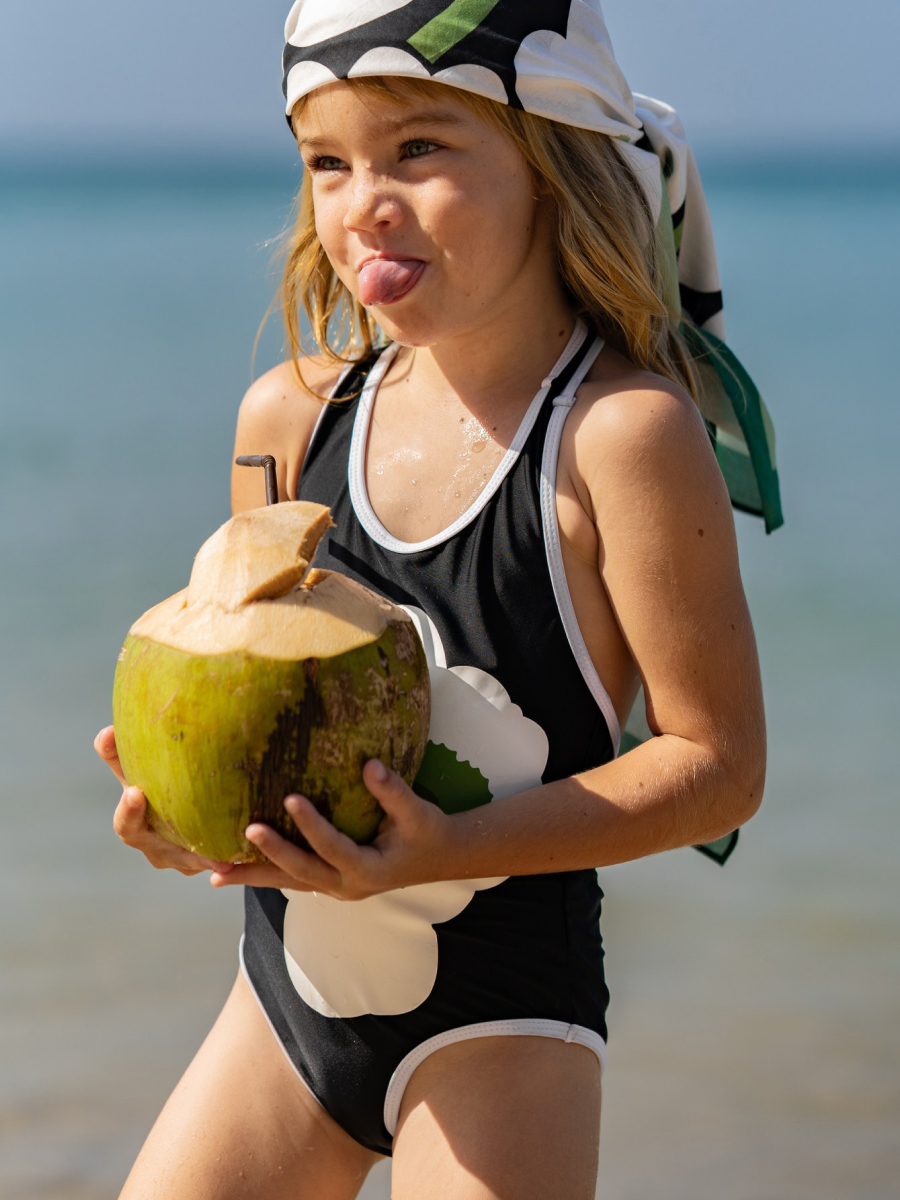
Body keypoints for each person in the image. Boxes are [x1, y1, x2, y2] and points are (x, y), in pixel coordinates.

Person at [95, 3, 780, 1197]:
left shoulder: (619, 438)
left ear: (551, 164)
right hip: (286, 1003)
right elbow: (249, 679)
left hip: (503, 1023)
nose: (365, 200)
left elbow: (717, 765)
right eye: (328, 162)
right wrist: (197, 819)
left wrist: (451, 848)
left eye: (419, 150)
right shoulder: (288, 419)